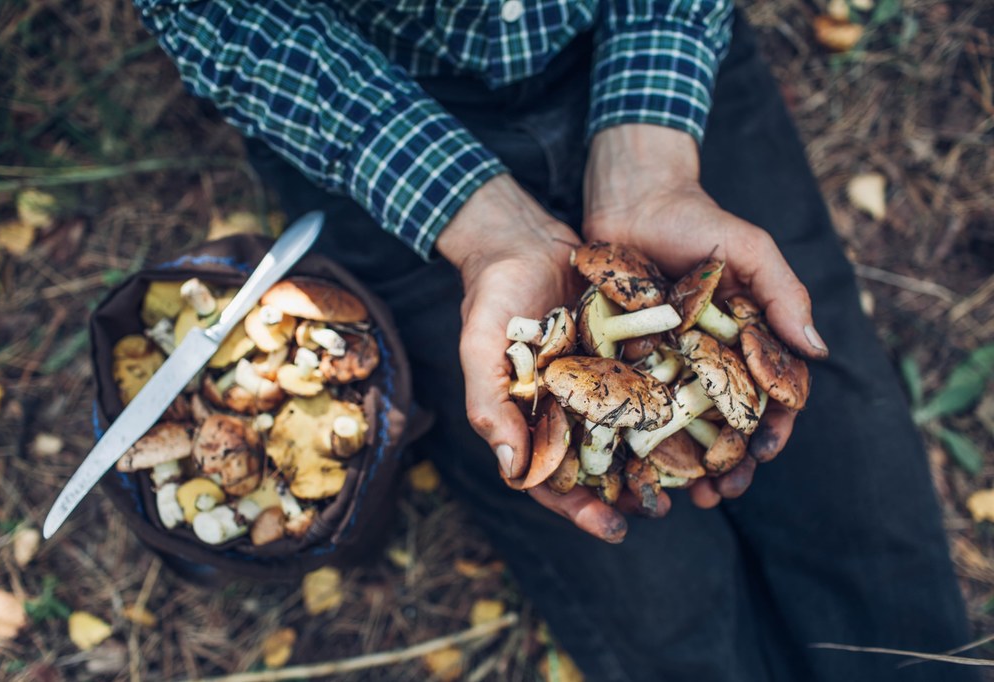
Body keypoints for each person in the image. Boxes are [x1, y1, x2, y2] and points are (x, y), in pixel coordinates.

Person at [134, 1, 979, 679]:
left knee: (871, 530)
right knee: (663, 610)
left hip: (647, 47)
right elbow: (219, 16)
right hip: (371, 118)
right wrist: (482, 224)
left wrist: (650, 147)